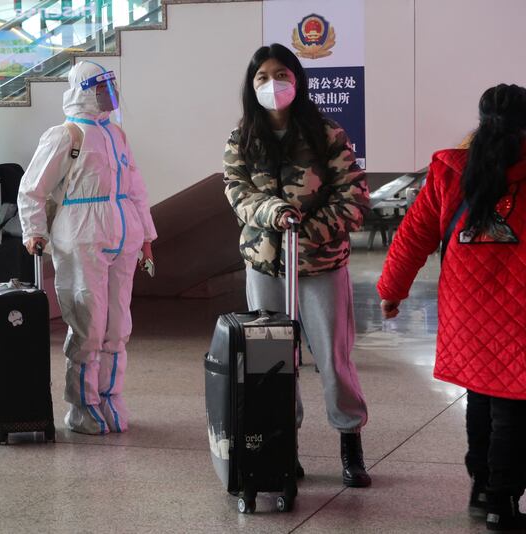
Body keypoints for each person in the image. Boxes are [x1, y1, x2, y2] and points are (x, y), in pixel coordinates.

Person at [378, 84, 526, 532]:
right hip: (518, 313)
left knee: (480, 397)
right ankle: (503, 501)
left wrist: (390, 290)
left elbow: (413, 236)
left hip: (467, 311)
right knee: (514, 409)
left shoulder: (451, 170)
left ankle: (482, 488)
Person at [223, 44, 371, 487]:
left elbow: (355, 198)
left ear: (298, 79)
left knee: (333, 357)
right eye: (262, 77)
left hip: (321, 266)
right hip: (266, 266)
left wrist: (305, 230)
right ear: (252, 86)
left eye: (281, 74)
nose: (273, 85)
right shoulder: (243, 136)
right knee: (270, 359)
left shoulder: (326, 133)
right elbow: (235, 190)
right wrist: (273, 214)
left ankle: (350, 441)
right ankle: (283, 442)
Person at [17, 61, 157, 435]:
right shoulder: (66, 135)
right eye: (100, 88)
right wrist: (34, 230)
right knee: (88, 324)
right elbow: (33, 187)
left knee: (117, 325)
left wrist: (145, 237)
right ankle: (82, 404)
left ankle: (110, 395)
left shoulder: (117, 134)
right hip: (81, 237)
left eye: (109, 87)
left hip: (121, 238)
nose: (107, 95)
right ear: (83, 90)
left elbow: (136, 188)